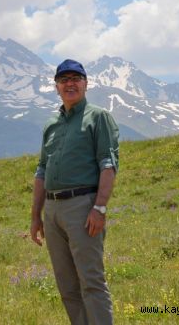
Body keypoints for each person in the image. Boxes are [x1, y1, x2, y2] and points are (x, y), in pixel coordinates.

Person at [30, 59, 119, 324]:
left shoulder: (98, 117)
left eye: (75, 78)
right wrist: (36, 216)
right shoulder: (51, 125)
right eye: (64, 79)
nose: (70, 84)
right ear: (56, 87)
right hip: (53, 210)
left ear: (85, 83)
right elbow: (41, 170)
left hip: (83, 207)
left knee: (91, 282)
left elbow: (108, 163)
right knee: (67, 286)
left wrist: (100, 208)